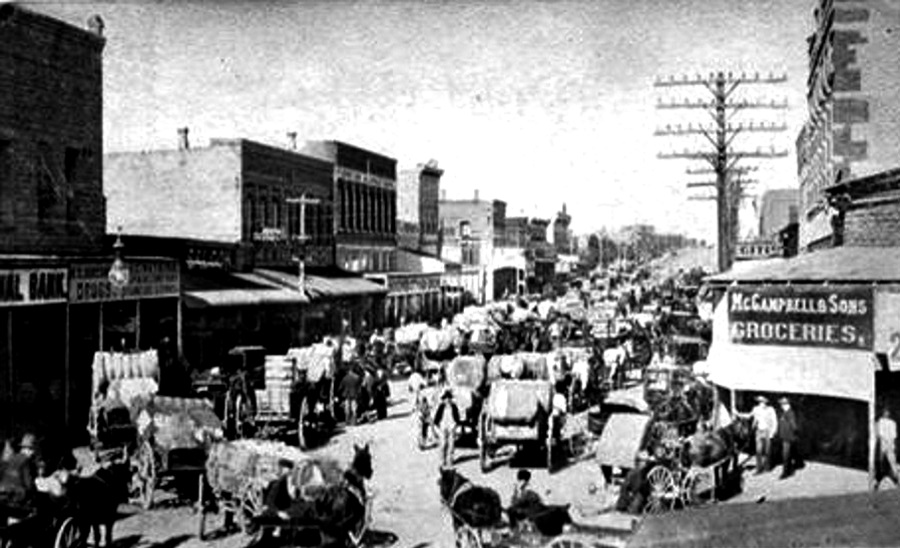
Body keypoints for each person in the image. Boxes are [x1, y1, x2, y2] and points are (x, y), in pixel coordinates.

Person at [749, 396, 777, 474]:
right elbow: (751, 416)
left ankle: (767, 467)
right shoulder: (755, 409)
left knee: (767, 450)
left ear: (766, 402)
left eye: (763, 402)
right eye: (760, 402)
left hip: (767, 431)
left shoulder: (770, 409)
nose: (762, 403)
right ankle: (759, 468)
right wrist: (738, 413)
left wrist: (773, 432)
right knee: (758, 450)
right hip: (759, 431)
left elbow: (774, 421)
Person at [433, 389, 461, 469]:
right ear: (444, 399)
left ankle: (450, 461)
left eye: (449, 398)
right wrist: (438, 427)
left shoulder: (454, 406)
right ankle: (443, 461)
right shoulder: (441, 407)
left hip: (451, 427)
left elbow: (457, 417)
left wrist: (456, 425)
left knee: (451, 445)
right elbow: (436, 418)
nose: (447, 400)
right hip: (443, 427)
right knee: (443, 444)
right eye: (446, 398)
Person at [777, 397, 800, 479]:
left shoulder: (790, 413)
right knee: (789, 454)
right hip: (785, 436)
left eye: (783, 404)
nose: (781, 406)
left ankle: (785, 472)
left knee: (785, 455)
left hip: (788, 437)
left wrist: (794, 432)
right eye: (782, 404)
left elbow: (794, 425)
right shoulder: (785, 412)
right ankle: (791, 468)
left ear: (787, 404)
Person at [877, 408, 899, 488]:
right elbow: (880, 433)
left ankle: (896, 478)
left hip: (890, 445)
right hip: (883, 444)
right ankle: (880, 477)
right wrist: (886, 441)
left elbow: (894, 435)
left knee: (892, 461)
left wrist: (890, 443)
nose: (886, 413)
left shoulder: (893, 423)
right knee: (881, 461)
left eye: (887, 412)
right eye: (885, 412)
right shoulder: (881, 421)